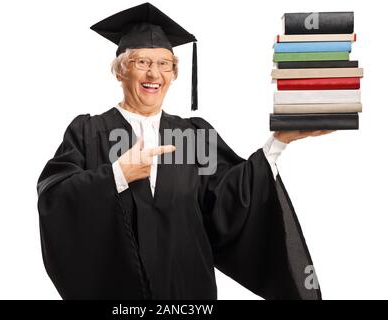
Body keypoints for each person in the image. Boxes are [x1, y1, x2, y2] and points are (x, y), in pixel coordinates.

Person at [36, 2, 332, 300]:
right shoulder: (88, 132)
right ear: (120, 71)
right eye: (142, 62)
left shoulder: (192, 134)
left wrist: (278, 142)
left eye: (165, 64)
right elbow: (55, 198)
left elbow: (232, 198)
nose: (155, 74)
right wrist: (117, 174)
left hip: (189, 294)